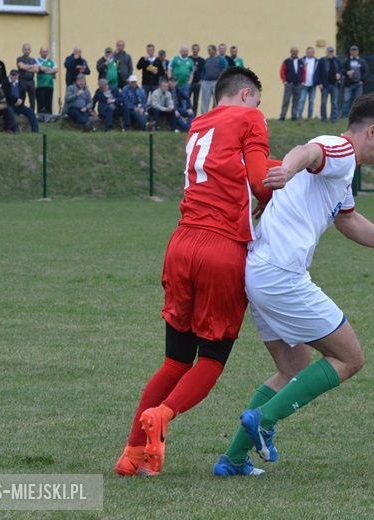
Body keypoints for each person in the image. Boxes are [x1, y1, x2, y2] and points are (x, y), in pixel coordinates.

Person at [213, 93, 374, 476]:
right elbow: (308, 151)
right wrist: (288, 169)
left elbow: (348, 221)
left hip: (261, 272)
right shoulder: (340, 148)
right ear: (373, 130)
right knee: (350, 357)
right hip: (280, 275)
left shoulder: (343, 172)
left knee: (292, 367)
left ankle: (232, 459)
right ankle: (265, 421)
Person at [114, 66, 276, 477]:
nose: (260, 112)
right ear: (245, 95)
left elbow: (233, 172)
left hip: (182, 243)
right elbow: (259, 182)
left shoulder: (199, 124)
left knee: (174, 361)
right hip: (220, 248)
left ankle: (131, 455)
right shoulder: (249, 118)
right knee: (212, 360)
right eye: (258, 101)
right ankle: (163, 416)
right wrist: (297, 172)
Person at [316, 46, 341, 123]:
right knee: (323, 102)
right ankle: (324, 118)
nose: (331, 53)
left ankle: (333, 119)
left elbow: (341, 70)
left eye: (332, 52)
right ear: (326, 52)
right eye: (329, 52)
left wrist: (340, 75)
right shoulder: (321, 61)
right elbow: (317, 72)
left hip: (335, 85)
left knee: (334, 103)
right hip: (325, 85)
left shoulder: (337, 61)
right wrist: (319, 83)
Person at [279, 47, 304, 121]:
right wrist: (284, 81)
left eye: (296, 51)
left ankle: (294, 116)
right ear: (291, 52)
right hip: (289, 84)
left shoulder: (301, 61)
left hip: (298, 85)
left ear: (298, 52)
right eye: (293, 51)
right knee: (286, 101)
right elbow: (282, 71)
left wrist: (303, 82)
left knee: (296, 101)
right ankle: (282, 117)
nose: (294, 53)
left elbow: (304, 72)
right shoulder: (286, 61)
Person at [200, 44, 227, 114]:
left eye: (210, 50)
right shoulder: (207, 60)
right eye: (208, 50)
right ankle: (204, 117)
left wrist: (221, 80)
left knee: (217, 101)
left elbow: (225, 69)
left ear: (214, 50)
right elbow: (203, 71)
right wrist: (202, 80)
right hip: (206, 83)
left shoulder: (221, 59)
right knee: (204, 102)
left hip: (216, 82)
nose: (208, 52)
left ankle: (216, 116)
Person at [341, 45, 366, 118]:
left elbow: (365, 72)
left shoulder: (362, 61)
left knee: (358, 101)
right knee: (346, 100)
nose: (354, 52)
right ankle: (345, 116)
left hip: (358, 84)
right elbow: (342, 70)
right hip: (348, 84)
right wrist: (347, 72)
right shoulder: (346, 61)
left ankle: (357, 116)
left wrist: (362, 80)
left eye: (355, 50)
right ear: (350, 52)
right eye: (352, 50)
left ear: (358, 52)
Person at [35, 47, 58, 117]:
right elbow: (41, 68)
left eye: (45, 51)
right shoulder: (37, 60)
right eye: (42, 51)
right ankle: (41, 117)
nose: (44, 53)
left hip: (50, 85)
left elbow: (56, 69)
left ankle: (49, 117)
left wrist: (46, 70)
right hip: (40, 85)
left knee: (49, 102)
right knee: (41, 103)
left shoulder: (51, 61)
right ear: (40, 52)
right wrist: (51, 70)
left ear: (47, 53)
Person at [297, 47, 318, 119]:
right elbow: (298, 72)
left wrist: (317, 82)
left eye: (311, 52)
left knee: (311, 101)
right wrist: (300, 81)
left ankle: (310, 117)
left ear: (313, 53)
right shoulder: (302, 61)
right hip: (304, 85)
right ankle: (299, 116)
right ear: (306, 53)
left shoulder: (316, 61)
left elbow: (319, 73)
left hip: (313, 85)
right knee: (301, 100)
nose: (310, 53)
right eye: (308, 52)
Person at [16, 43, 39, 109]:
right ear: (22, 50)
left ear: (30, 50)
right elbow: (21, 66)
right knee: (22, 97)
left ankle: (32, 113)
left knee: (32, 99)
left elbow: (36, 70)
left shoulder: (33, 60)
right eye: (25, 49)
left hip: (31, 81)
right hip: (22, 81)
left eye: (28, 49)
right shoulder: (19, 59)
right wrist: (31, 66)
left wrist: (26, 67)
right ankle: (20, 112)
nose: (27, 51)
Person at [189, 43, 204, 114]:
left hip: (197, 83)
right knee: (187, 99)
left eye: (196, 49)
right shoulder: (189, 59)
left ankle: (194, 116)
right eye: (194, 49)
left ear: (199, 50)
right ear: (192, 50)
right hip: (189, 83)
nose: (195, 51)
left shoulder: (202, 60)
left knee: (195, 100)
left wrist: (201, 80)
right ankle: (187, 115)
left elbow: (204, 71)